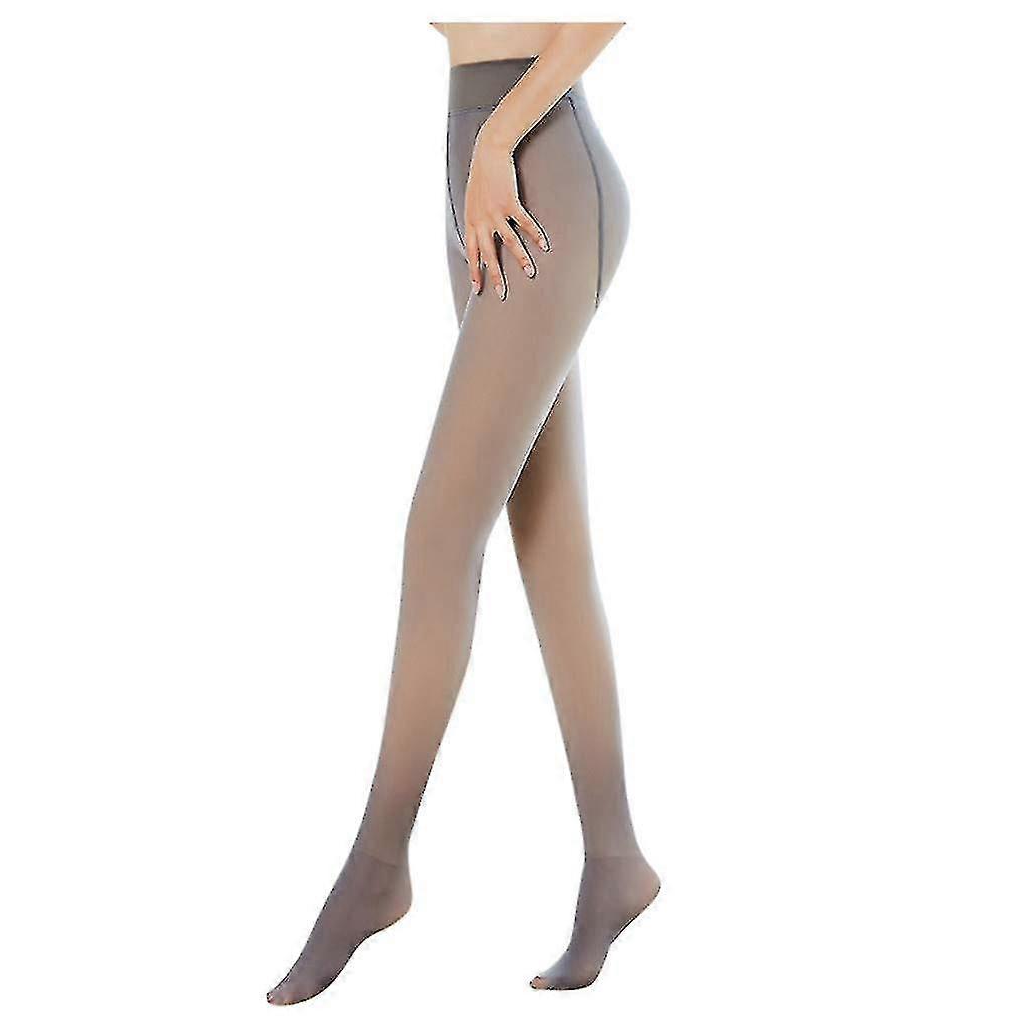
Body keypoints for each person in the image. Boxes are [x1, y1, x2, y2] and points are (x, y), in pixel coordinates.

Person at [267, 21, 658, 1002]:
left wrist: (498, 140)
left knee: (440, 534)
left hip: (535, 166)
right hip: (480, 155)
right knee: (548, 541)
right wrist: (482, 147)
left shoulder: (511, 141)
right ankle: (615, 858)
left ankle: (377, 865)